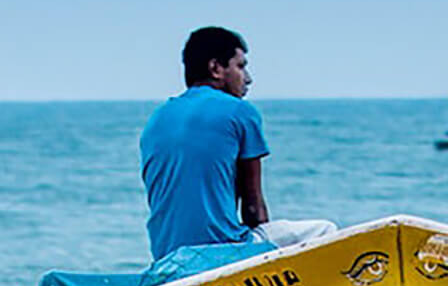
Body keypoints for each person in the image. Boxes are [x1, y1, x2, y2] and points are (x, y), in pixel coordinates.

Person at [139, 26, 336, 262]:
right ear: (216, 68)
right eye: (241, 66)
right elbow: (253, 208)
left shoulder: (156, 119)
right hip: (219, 254)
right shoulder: (240, 111)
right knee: (325, 230)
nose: (248, 78)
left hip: (166, 258)